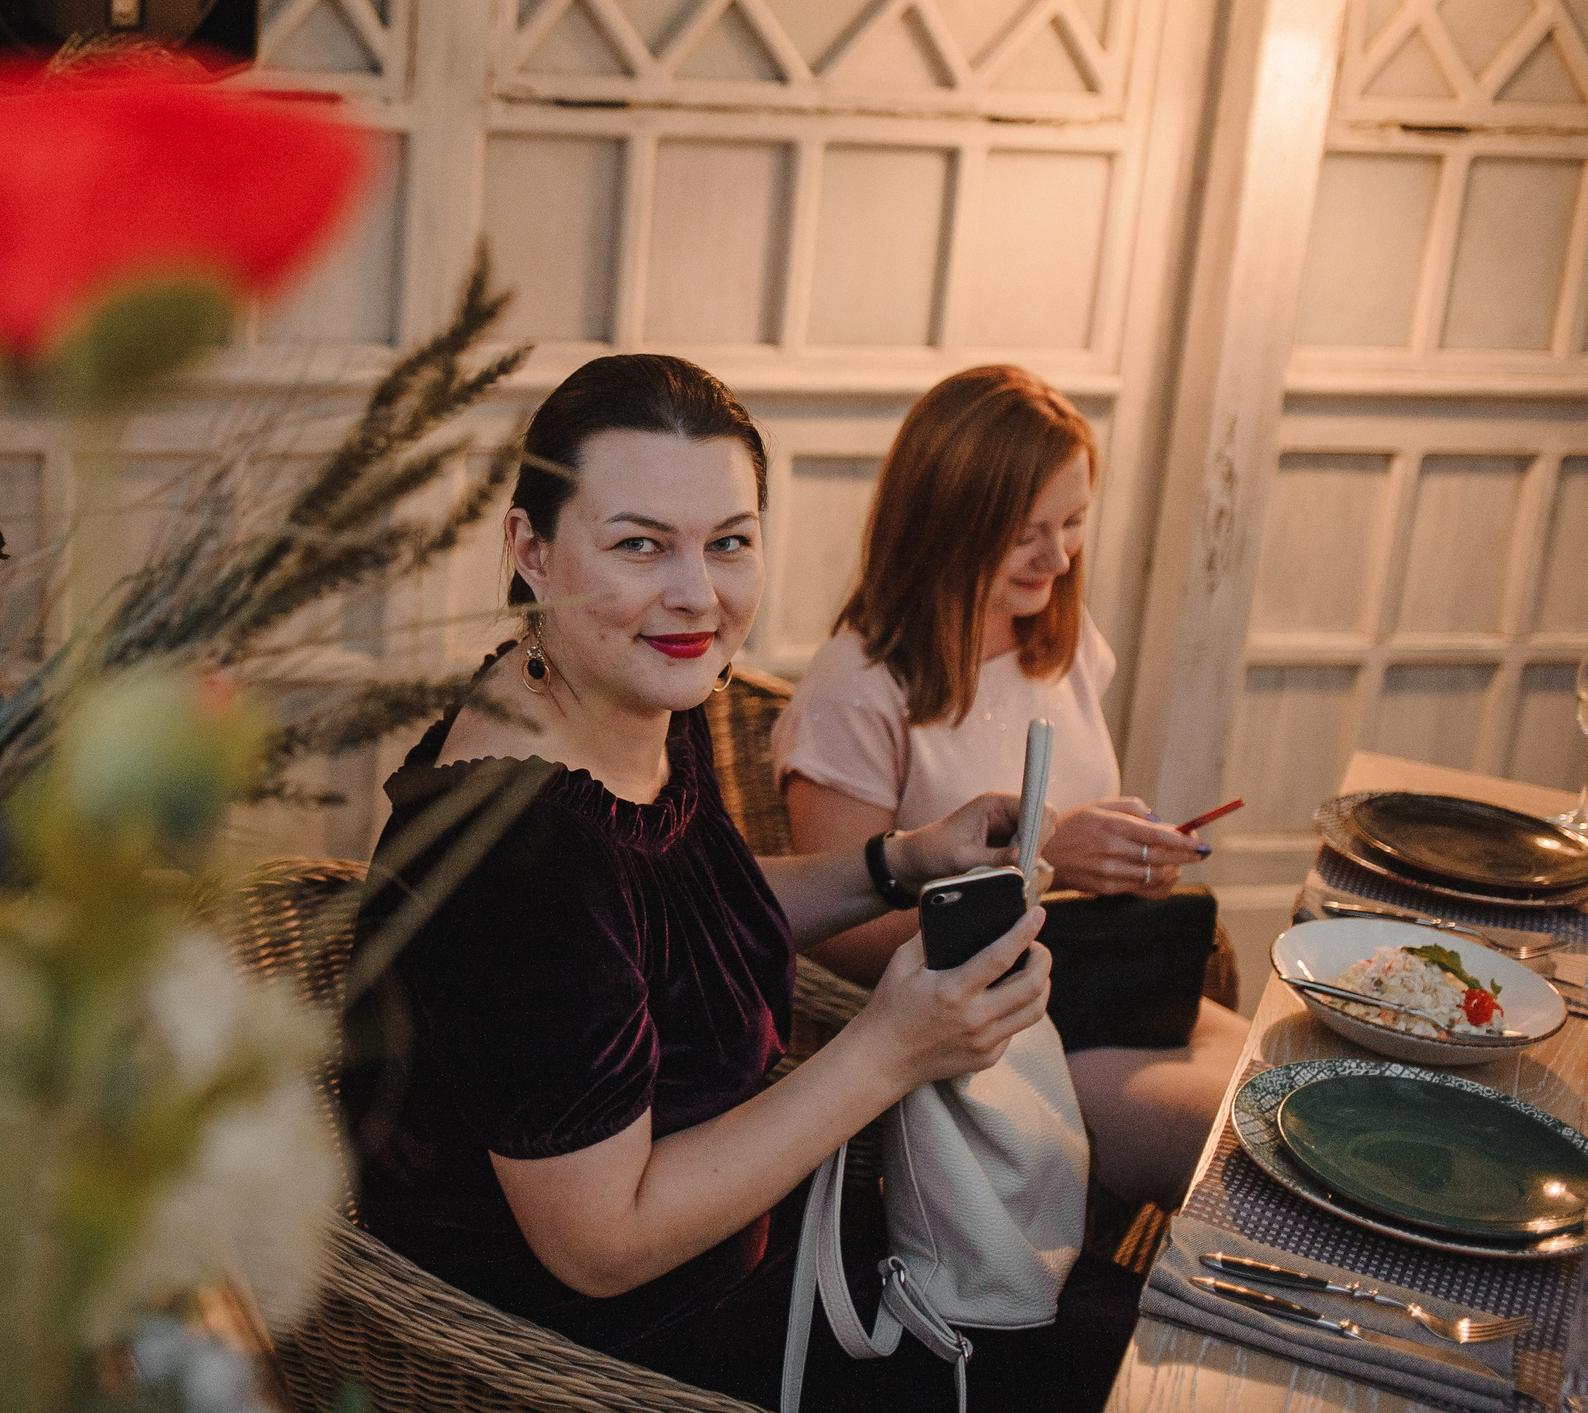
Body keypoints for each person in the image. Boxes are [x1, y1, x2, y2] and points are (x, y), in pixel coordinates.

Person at [340, 354, 1137, 1411]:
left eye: (728, 542)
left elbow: (681, 911)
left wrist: (896, 862)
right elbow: (601, 1245)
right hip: (628, 1351)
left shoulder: (618, 692)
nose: (695, 594)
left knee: (1125, 1308)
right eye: (638, 544)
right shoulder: (517, 857)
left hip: (753, 1235)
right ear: (528, 546)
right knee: (1117, 1363)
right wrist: (889, 1048)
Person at [773, 363, 1248, 1209]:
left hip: (1100, 986)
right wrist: (1044, 862)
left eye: (1073, 523)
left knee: (1297, 1092)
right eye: (1029, 530)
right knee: (1252, 1152)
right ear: (947, 520)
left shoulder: (1053, 640)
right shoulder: (858, 689)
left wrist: (1127, 861)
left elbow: (1075, 810)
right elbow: (834, 933)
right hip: (995, 1038)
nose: (1060, 557)